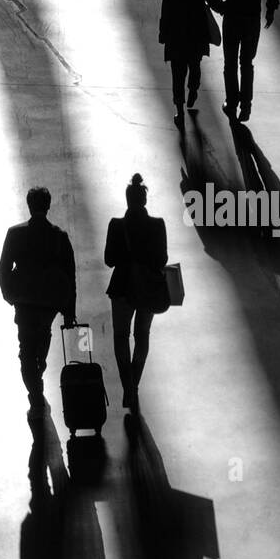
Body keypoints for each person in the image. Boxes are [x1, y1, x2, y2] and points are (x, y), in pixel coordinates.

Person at [0, 187, 76, 413]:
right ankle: (39, 367)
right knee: (43, 335)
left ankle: (35, 392)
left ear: (29, 205)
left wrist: (9, 294)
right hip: (49, 301)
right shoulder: (59, 236)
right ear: (48, 205)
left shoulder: (15, 233)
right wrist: (69, 310)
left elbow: (3, 268)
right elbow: (70, 275)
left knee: (25, 348)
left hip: (24, 300)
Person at [103, 174, 167, 413]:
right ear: (145, 200)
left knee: (121, 337)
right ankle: (134, 384)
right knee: (142, 335)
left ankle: (127, 386)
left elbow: (109, 259)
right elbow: (162, 259)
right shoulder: (158, 225)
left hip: (121, 286)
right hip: (148, 287)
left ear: (127, 200)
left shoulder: (116, 225)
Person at [209, 0, 279, 122]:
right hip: (251, 19)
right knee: (246, 63)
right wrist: (271, 9)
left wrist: (222, 8)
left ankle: (232, 102)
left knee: (230, 63)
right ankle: (246, 106)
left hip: (232, 19)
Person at [159, 0, 214, 128]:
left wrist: (163, 34)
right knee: (195, 65)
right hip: (197, 35)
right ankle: (193, 89)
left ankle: (180, 111)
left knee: (177, 74)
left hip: (176, 37)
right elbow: (213, 0)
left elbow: (165, 13)